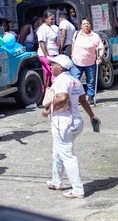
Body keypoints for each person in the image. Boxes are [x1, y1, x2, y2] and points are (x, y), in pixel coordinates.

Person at [41, 54, 100, 198]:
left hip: (63, 123)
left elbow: (63, 97)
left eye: (53, 64)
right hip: (76, 121)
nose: (51, 66)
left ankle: (78, 190)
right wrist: (92, 115)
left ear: (60, 67)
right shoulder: (74, 80)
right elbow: (83, 100)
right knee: (58, 151)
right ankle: (56, 181)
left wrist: (48, 108)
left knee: (68, 156)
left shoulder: (61, 81)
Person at [70, 18, 104, 105]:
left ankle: (90, 97)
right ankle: (75, 97)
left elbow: (101, 47)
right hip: (76, 62)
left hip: (90, 62)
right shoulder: (77, 34)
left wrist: (100, 57)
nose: (86, 25)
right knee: (75, 80)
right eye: (84, 24)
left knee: (91, 81)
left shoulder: (95, 36)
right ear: (81, 26)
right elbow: (73, 44)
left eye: (88, 24)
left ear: (90, 25)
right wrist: (72, 54)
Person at [36, 10, 60, 92]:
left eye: (54, 19)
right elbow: (42, 43)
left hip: (54, 53)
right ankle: (50, 92)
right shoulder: (42, 29)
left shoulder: (51, 28)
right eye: (51, 19)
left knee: (50, 74)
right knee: (53, 73)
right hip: (47, 54)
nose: (53, 21)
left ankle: (49, 91)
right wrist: (47, 57)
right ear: (45, 19)